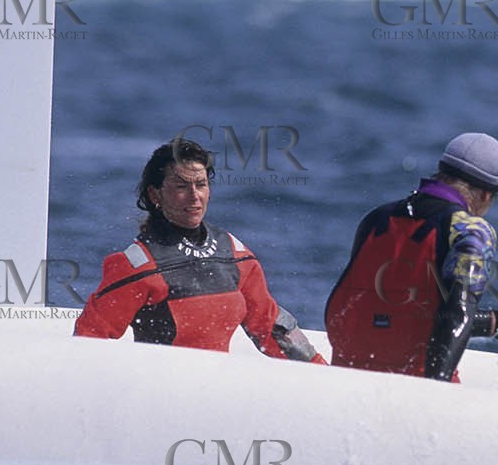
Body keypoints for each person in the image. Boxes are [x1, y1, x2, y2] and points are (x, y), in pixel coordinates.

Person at [324, 131, 498, 381]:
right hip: (415, 385)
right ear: (486, 195)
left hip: (345, 379)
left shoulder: (376, 219)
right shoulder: (471, 231)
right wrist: (436, 393)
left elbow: (391, 312)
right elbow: (456, 313)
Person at [74, 137, 324, 363]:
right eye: (181, 186)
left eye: (201, 185)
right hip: (161, 397)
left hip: (217, 395)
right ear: (154, 194)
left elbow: (270, 326)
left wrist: (320, 371)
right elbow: (89, 339)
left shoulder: (234, 253)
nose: (194, 196)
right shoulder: (139, 264)